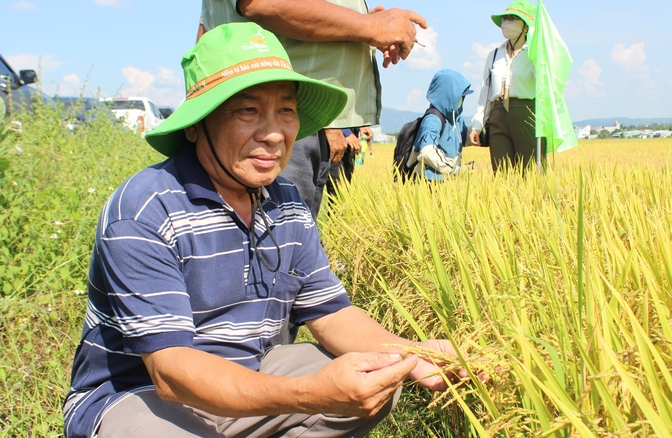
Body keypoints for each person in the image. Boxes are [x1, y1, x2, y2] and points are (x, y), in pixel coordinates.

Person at [64, 23, 471, 438]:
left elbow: (332, 314)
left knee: (379, 378)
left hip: (250, 373)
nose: (274, 133)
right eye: (247, 111)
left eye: (286, 111)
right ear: (195, 125)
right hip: (145, 396)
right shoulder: (145, 210)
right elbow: (171, 373)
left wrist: (413, 354)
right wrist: (309, 394)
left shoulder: (287, 202)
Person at [198, 0, 427, 219]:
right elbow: (262, 2)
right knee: (265, 232)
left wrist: (356, 23)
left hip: (300, 117)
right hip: (278, 117)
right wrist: (373, 26)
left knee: (289, 234)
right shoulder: (271, 130)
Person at [468, 0, 546, 173]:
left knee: (532, 171)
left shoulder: (535, 53)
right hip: (498, 115)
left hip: (527, 113)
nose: (506, 24)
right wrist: (477, 124)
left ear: (526, 26)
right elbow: (485, 93)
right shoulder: (495, 54)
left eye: (512, 18)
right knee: (501, 172)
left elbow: (545, 85)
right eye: (505, 19)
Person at [410, 69, 473, 181]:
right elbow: (426, 152)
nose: (462, 100)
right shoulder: (433, 119)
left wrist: (485, 131)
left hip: (447, 182)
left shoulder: (455, 118)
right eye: (461, 96)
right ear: (450, 95)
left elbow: (464, 138)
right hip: (430, 184)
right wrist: (454, 169)